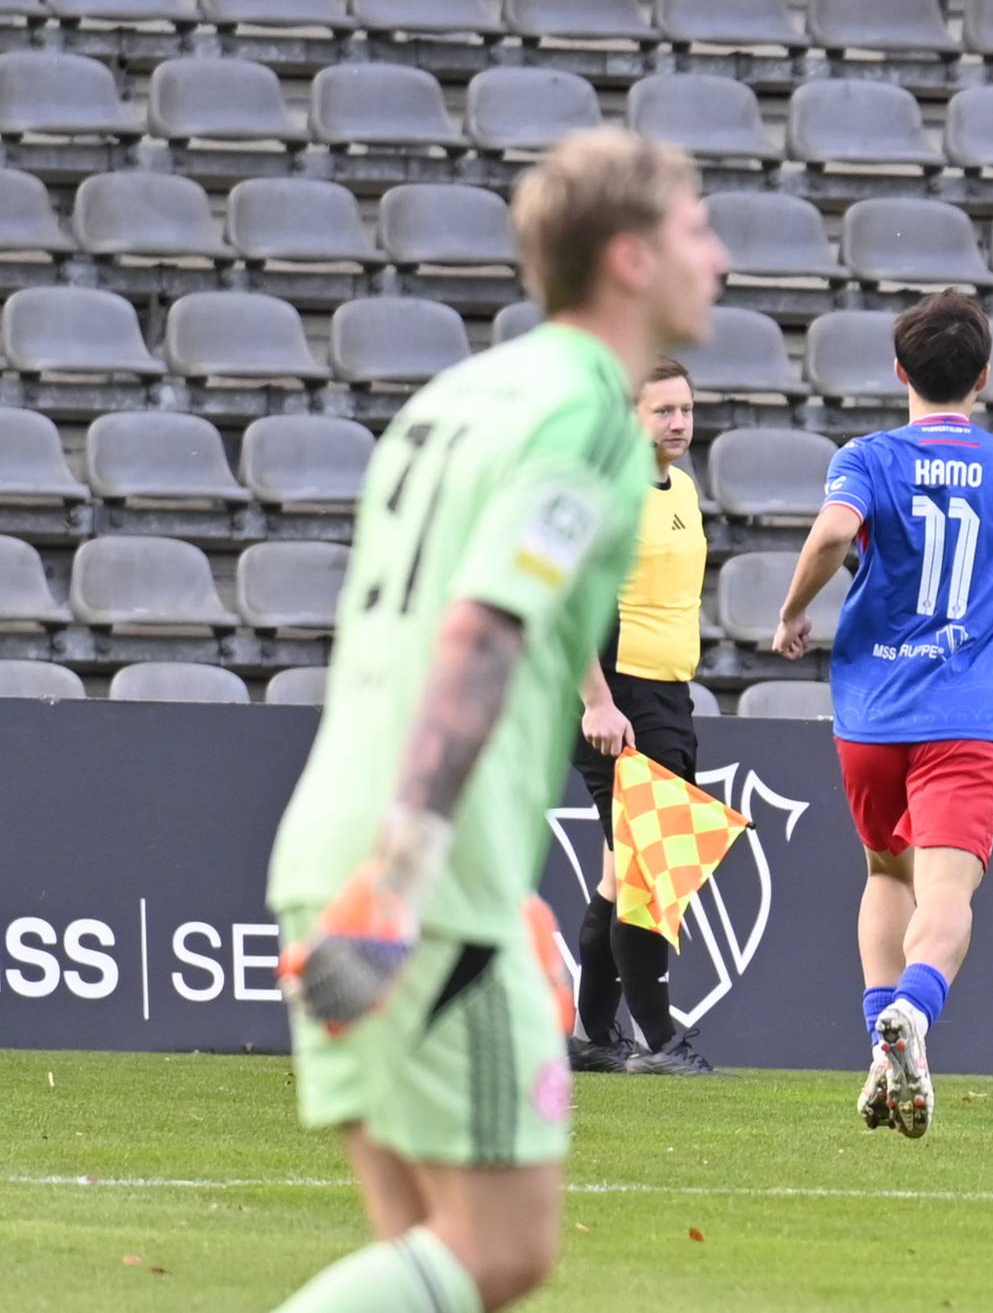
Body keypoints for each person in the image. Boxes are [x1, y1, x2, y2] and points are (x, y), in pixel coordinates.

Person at [264, 128, 730, 1313]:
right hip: (418, 873)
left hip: (332, 843)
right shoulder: (588, 420)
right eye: (695, 228)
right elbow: (486, 629)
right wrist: (409, 873)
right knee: (502, 1250)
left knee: (427, 1256)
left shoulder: (459, 397)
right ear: (629, 258)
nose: (719, 257)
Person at [770, 291, 993, 1139]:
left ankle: (880, 1043)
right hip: (962, 714)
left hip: (870, 712)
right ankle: (912, 1012)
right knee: (947, 892)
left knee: (885, 875)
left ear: (900, 372)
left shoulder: (868, 457)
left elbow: (832, 535)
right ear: (982, 377)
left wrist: (794, 609)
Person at [568, 355, 712, 1077]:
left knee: (618, 872)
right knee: (651, 869)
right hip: (617, 695)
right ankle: (658, 1041)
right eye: (663, 410)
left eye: (685, 408)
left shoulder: (679, 486)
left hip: (667, 694)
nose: (679, 421)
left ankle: (594, 1034)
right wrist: (597, 699)